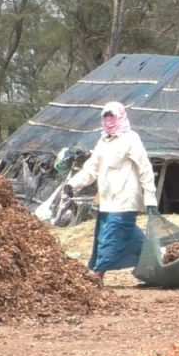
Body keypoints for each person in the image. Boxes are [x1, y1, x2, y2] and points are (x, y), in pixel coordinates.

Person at [63, 101, 158, 285]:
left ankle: (98, 273)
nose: (109, 122)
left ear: (121, 117)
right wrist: (72, 185)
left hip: (125, 199)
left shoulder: (131, 139)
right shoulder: (102, 142)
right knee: (129, 237)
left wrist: (150, 198)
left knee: (112, 235)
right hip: (107, 200)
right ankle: (154, 264)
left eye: (112, 117)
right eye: (105, 118)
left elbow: (145, 169)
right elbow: (91, 169)